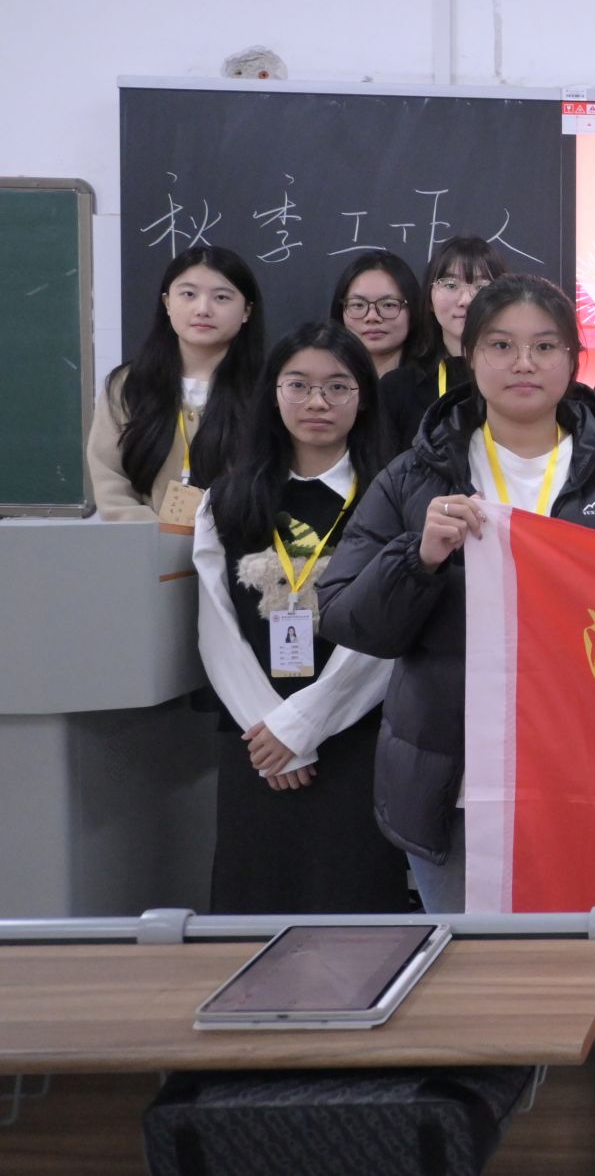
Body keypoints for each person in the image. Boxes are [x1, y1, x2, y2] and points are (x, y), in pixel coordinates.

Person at [321, 275, 595, 912]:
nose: (523, 363)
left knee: (583, 961)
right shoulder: (414, 477)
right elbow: (347, 617)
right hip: (454, 781)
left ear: (573, 358)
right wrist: (418, 557)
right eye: (501, 345)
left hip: (590, 778)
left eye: (544, 347)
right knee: (468, 963)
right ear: (469, 354)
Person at [194, 322, 408, 914]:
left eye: (338, 387)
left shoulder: (392, 498)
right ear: (273, 393)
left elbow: (390, 631)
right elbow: (216, 629)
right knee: (253, 909)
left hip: (358, 739)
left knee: (356, 914)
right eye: (299, 385)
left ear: (363, 398)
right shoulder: (226, 499)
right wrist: (272, 729)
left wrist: (306, 724)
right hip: (254, 743)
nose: (318, 402)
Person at [87, 246, 265, 524]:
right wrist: (158, 538)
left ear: (247, 311)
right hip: (147, 546)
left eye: (221, 297)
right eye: (189, 294)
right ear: (167, 303)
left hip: (241, 544)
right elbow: (111, 481)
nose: (203, 309)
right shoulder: (128, 385)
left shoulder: (270, 389)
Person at [378, 236, 508, 449]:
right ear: (429, 299)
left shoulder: (519, 378)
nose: (466, 300)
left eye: (482, 286)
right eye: (450, 285)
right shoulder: (398, 388)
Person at [329, 249, 428, 379]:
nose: (372, 317)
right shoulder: (321, 380)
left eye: (388, 305)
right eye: (358, 305)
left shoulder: (437, 383)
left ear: (413, 309)